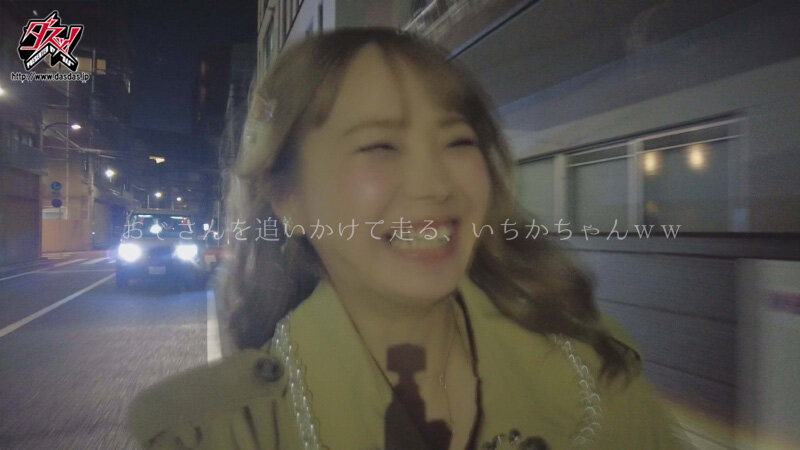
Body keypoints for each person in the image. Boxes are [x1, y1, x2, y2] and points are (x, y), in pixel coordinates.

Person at [127, 27, 687, 450]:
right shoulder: (216, 432)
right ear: (286, 198)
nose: (436, 184)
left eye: (458, 141)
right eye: (380, 146)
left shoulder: (593, 369)